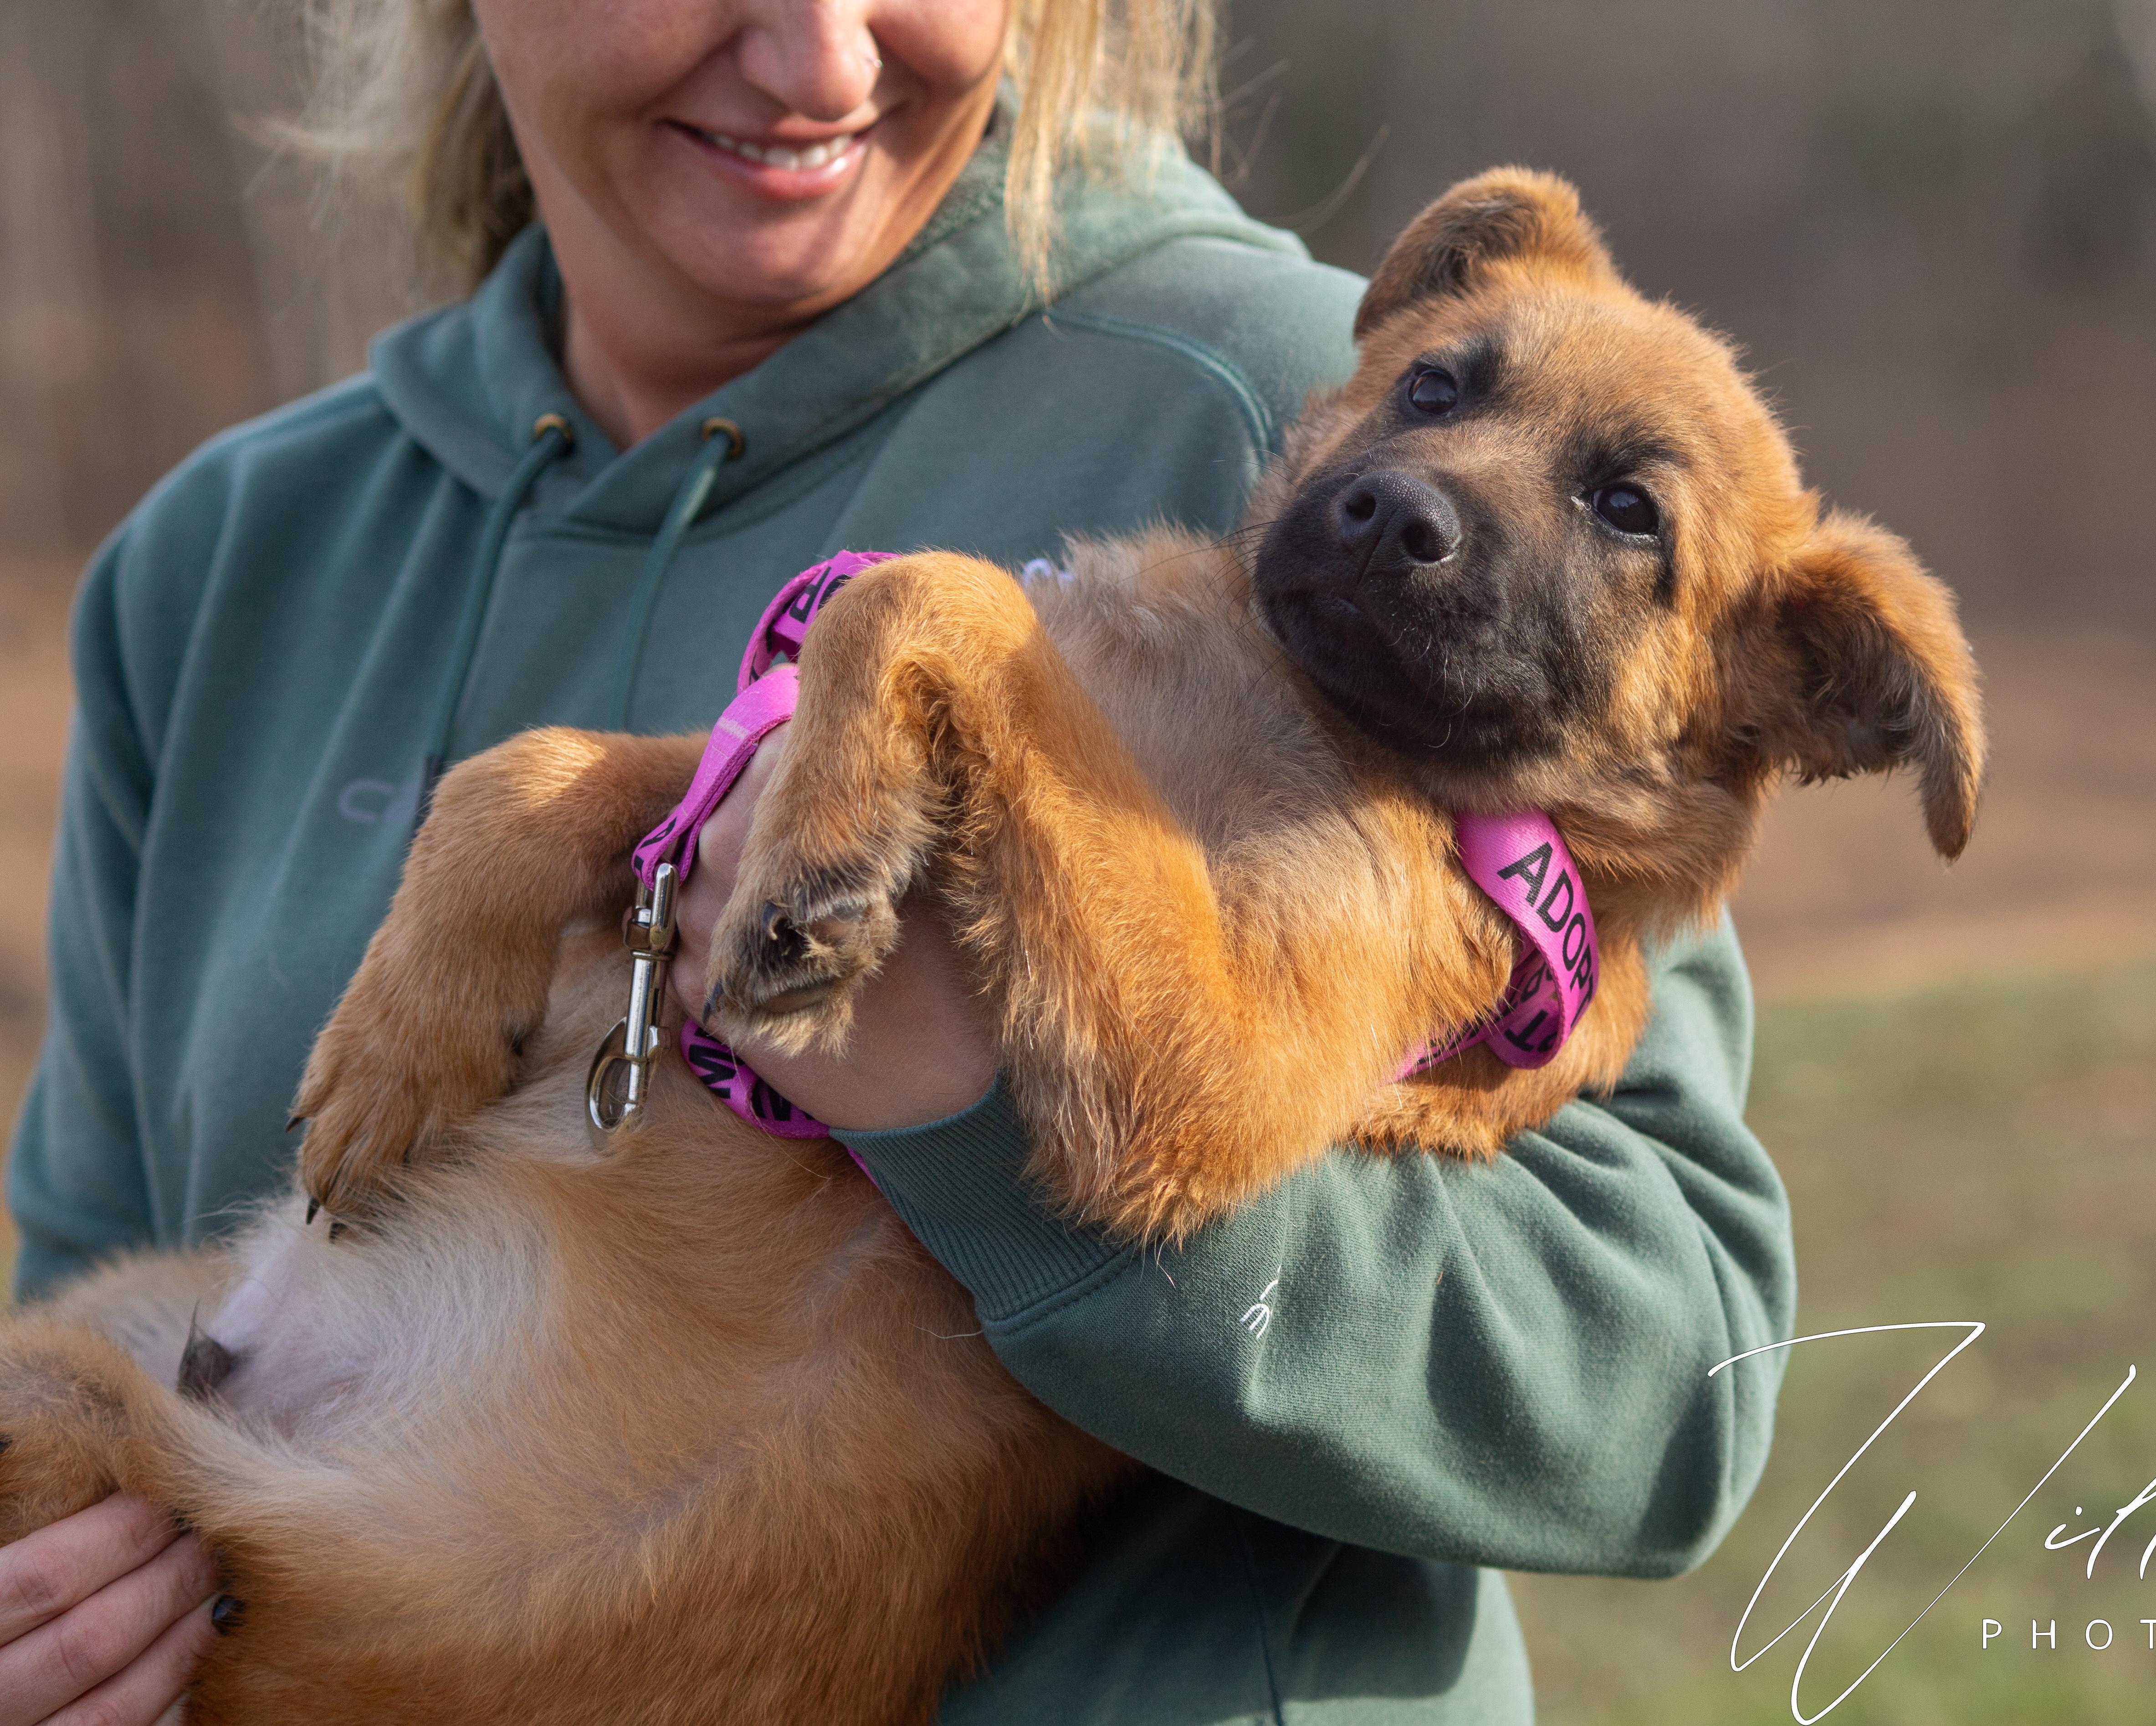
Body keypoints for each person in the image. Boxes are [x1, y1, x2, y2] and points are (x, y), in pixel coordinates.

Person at [0, 0, 1797, 1720]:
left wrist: (970, 1113)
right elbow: (97, 1262)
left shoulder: (1326, 424)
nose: (815, 54)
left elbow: (1667, 1391)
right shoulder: (223, 559)